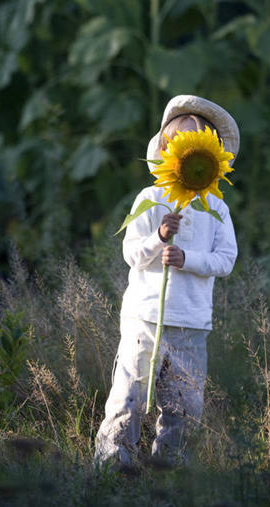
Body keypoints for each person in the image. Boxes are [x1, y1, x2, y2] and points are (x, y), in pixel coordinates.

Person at [94, 95, 240, 471]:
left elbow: (226, 260)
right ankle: (113, 464)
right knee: (129, 395)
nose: (188, 152)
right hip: (145, 318)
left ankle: (169, 468)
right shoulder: (151, 198)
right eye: (180, 145)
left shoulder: (216, 207)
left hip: (191, 321)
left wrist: (187, 259)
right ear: (165, 151)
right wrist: (159, 236)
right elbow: (131, 253)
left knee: (184, 404)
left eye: (197, 147)